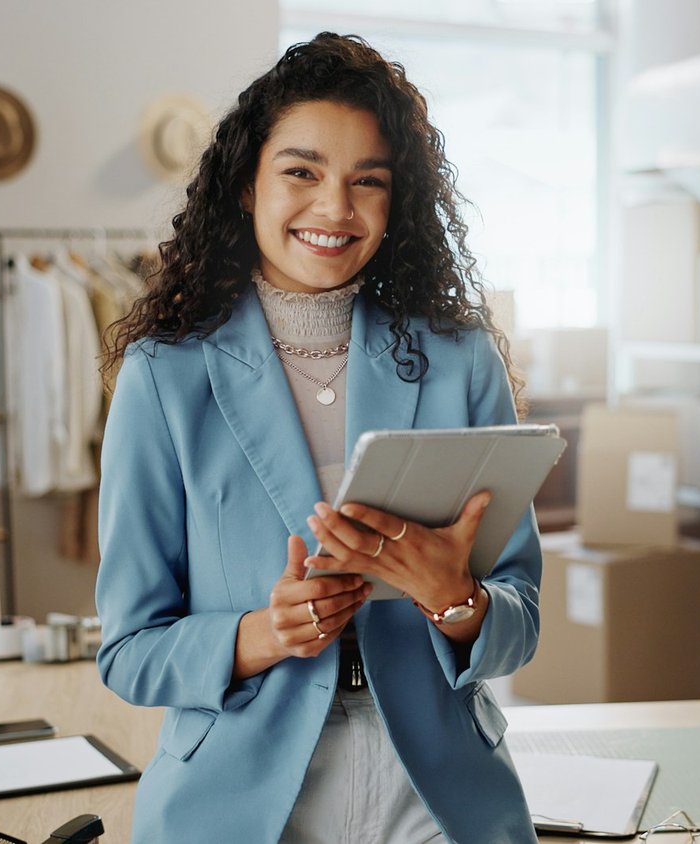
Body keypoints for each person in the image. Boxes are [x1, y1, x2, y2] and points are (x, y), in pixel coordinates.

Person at [96, 32, 541, 843]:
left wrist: (459, 601)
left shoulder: (460, 358)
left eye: (366, 182)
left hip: (435, 790)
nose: (335, 209)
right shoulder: (164, 377)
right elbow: (128, 650)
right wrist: (262, 635)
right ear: (245, 184)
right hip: (241, 794)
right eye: (301, 172)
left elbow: (523, 620)